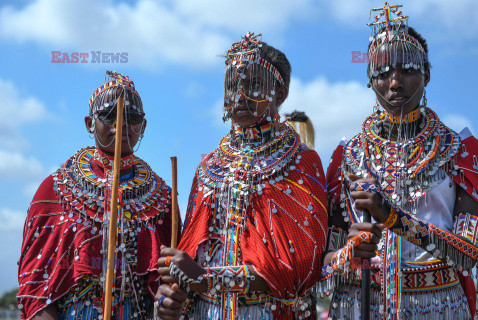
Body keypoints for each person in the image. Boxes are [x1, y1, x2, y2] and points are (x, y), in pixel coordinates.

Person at [319, 3, 478, 319]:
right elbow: (324, 259)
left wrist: (391, 217)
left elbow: (468, 255)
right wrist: (345, 255)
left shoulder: (460, 148)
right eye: (383, 71)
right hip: (358, 302)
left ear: (427, 75)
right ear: (369, 79)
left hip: (436, 304)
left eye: (407, 70)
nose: (395, 83)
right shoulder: (346, 154)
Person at [155, 32, 328, 320]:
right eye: (233, 85)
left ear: (281, 94)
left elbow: (301, 267)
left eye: (255, 85)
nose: (240, 95)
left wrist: (207, 279)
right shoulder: (209, 165)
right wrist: (172, 298)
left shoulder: (302, 162)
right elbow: (191, 254)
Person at [17, 71, 180, 320]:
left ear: (143, 125)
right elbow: (35, 286)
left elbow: (169, 284)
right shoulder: (55, 189)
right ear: (89, 123)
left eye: (131, 117)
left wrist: (168, 304)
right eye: (108, 115)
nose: (121, 124)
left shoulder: (162, 197)